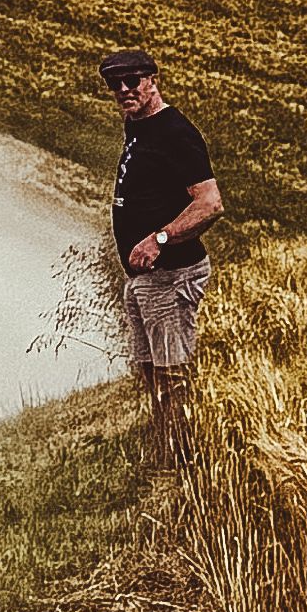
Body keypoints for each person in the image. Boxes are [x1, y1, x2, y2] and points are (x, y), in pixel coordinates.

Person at [101, 50, 223, 468]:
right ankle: (165, 452)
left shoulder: (175, 131)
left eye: (132, 81)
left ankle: (184, 463)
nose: (123, 90)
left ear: (152, 79)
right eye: (114, 84)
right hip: (145, 280)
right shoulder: (137, 125)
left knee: (173, 375)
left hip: (172, 276)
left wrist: (160, 238)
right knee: (152, 372)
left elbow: (210, 203)